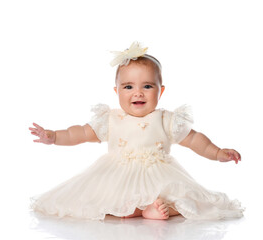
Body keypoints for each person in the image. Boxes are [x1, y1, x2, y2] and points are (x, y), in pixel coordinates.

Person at [29, 42, 244, 221]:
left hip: (158, 173)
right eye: (128, 87)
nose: (138, 93)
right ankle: (142, 210)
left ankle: (152, 208)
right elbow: (81, 133)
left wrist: (217, 152)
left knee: (181, 198)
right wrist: (55, 136)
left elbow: (194, 139)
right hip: (119, 173)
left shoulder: (166, 119)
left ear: (161, 90)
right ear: (117, 91)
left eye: (148, 87)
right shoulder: (111, 119)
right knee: (107, 198)